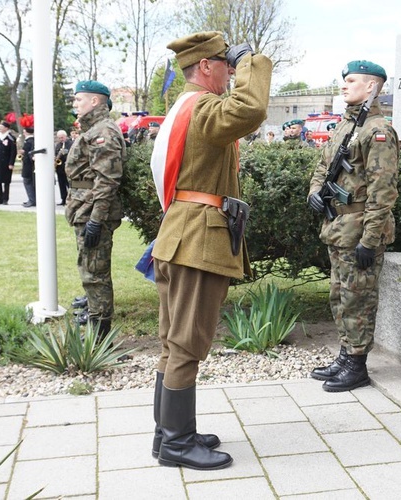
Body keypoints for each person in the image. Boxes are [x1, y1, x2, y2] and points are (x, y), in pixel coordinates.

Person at [148, 31, 271, 471]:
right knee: (186, 344)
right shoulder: (202, 107)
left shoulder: (182, 106)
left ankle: (169, 434)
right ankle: (178, 444)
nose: (232, 70)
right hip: (197, 238)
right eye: (226, 62)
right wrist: (254, 62)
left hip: (180, 233)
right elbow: (251, 108)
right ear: (205, 67)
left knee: (172, 342)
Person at [307, 60, 399, 392]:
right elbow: (323, 165)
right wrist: (315, 191)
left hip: (359, 229)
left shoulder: (378, 131)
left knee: (358, 298)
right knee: (340, 295)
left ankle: (357, 364)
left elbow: (382, 190)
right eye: (343, 81)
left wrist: (370, 239)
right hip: (338, 226)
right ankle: (345, 356)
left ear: (372, 87)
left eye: (351, 81)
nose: (344, 86)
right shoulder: (346, 127)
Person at [64, 80, 125, 336]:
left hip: (92, 211)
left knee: (95, 273)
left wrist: (95, 220)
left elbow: (108, 179)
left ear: (95, 101)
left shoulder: (103, 132)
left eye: (79, 99)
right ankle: (94, 317)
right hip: (85, 208)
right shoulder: (94, 129)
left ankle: (100, 336)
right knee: (90, 269)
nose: (75, 104)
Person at [0, 121, 17, 205]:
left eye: (1, 127)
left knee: (6, 181)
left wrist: (11, 163)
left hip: (6, 163)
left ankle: (5, 199)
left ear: (6, 128)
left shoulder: (11, 138)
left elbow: (13, 152)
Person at [55, 130, 72, 205]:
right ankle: (63, 199)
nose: (61, 139)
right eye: (59, 138)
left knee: (69, 184)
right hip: (60, 168)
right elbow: (56, 155)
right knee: (61, 184)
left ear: (65, 136)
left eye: (62, 137)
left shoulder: (71, 144)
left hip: (68, 167)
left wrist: (65, 152)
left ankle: (70, 200)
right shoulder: (58, 145)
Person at [21, 124, 36, 208]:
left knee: (27, 182)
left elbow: (29, 153)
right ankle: (31, 199)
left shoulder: (29, 141)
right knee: (29, 182)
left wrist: (23, 152)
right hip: (29, 165)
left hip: (28, 165)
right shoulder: (31, 140)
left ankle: (32, 200)